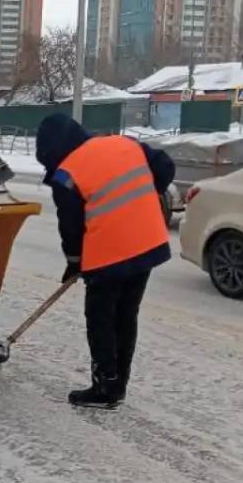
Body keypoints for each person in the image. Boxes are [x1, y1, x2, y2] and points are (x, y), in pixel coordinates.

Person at [35, 113, 175, 409]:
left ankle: (104, 389)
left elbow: (71, 229)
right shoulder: (122, 143)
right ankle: (117, 385)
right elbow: (165, 166)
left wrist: (74, 262)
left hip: (110, 254)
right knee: (126, 315)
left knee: (101, 318)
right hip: (147, 243)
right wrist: (148, 198)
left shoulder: (66, 174)